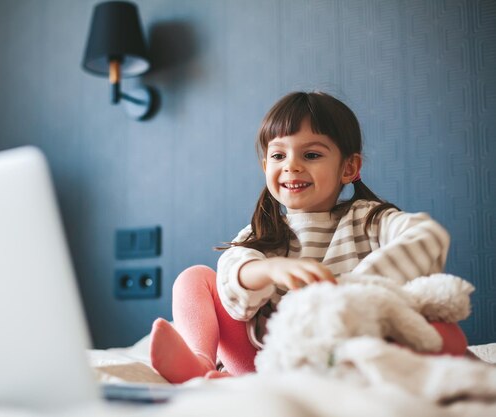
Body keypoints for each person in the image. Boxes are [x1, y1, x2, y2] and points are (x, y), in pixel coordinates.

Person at [149, 91, 467, 384]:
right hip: (265, 361)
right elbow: (233, 276)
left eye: (311, 154)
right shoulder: (265, 231)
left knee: (446, 335)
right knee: (194, 278)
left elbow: (428, 237)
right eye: (278, 156)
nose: (292, 166)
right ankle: (202, 363)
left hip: (348, 354)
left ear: (349, 167)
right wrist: (269, 270)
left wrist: (351, 293)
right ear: (265, 166)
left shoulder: (369, 219)